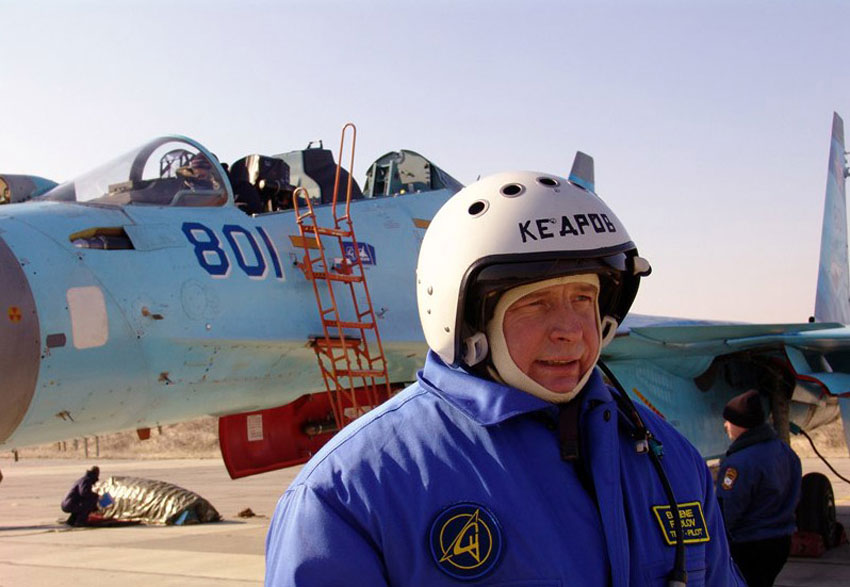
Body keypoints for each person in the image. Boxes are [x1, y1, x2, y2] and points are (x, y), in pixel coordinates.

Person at [265, 162, 745, 585]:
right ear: (468, 321)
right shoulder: (351, 495)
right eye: (535, 304)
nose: (571, 332)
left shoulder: (669, 459)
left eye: (583, 299)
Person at [716, 389, 802, 587]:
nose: (726, 425)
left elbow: (727, 509)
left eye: (729, 421)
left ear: (741, 424)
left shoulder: (738, 463)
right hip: (781, 541)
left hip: (749, 545)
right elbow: (796, 494)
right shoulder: (786, 453)